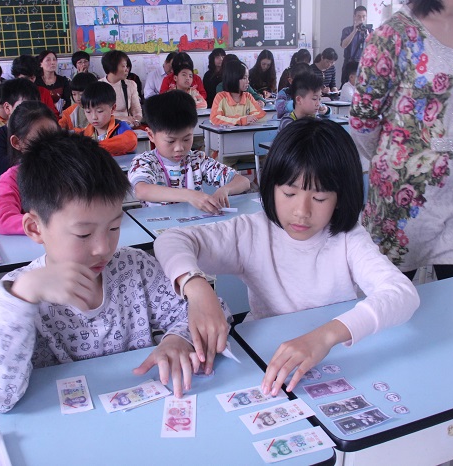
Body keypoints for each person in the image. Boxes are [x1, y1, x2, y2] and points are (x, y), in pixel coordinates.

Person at [154, 118, 419, 389]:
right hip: (267, 359)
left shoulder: (348, 238)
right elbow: (170, 240)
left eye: (319, 198)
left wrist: (325, 336)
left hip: (336, 358)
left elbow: (402, 294)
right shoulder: (251, 232)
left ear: (340, 197)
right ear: (271, 187)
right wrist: (197, 288)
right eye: (289, 193)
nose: (302, 212)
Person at [0, 130, 226, 412]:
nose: (103, 248)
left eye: (114, 227)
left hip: (140, 414)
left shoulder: (134, 267)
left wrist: (178, 339)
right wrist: (22, 298)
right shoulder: (14, 294)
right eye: (83, 234)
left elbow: (210, 311)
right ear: (35, 228)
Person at [350, 0, 453, 282]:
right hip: (402, 193)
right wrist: (402, 154)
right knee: (391, 296)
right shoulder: (392, 34)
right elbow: (362, 121)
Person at [128, 91, 250, 211]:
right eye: (171, 141)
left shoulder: (197, 160)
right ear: (151, 135)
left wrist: (225, 190)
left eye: (186, 139)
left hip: (195, 222)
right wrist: (189, 195)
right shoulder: (145, 162)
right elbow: (141, 190)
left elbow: (243, 181)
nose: (179, 148)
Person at [0, 101, 60, 235]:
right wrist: (52, 225)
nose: (50, 146)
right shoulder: (11, 179)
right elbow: (4, 219)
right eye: (39, 140)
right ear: (17, 143)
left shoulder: (69, 171)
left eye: (54, 137)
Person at [0, 78, 41, 175]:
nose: (31, 111)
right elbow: (0, 166)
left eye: (35, 105)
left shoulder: (44, 130)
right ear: (7, 108)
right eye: (25, 106)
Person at [79, 81, 138, 156]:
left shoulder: (120, 127)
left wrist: (96, 147)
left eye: (99, 111)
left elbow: (131, 140)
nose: (94, 117)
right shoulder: (86, 133)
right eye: (88, 112)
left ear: (113, 108)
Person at [210, 60, 267, 126]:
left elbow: (261, 116)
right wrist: (241, 120)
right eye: (244, 78)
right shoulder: (220, 97)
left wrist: (231, 119)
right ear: (233, 78)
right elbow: (214, 119)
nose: (248, 81)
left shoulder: (248, 96)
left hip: (246, 132)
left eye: (248, 78)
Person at [100, 50, 143, 128]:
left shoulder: (131, 84)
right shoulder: (98, 86)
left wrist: (136, 121)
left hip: (127, 127)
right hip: (106, 128)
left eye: (127, 66)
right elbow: (98, 115)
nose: (127, 69)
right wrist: (122, 119)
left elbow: (137, 110)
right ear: (112, 67)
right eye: (123, 66)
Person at [340, 6, 371, 86]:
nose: (361, 19)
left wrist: (367, 35)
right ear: (354, 17)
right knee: (345, 85)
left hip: (363, 64)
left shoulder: (370, 31)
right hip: (349, 63)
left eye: (363, 16)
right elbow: (343, 45)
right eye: (359, 16)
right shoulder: (347, 30)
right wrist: (354, 31)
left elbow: (373, 48)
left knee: (363, 87)